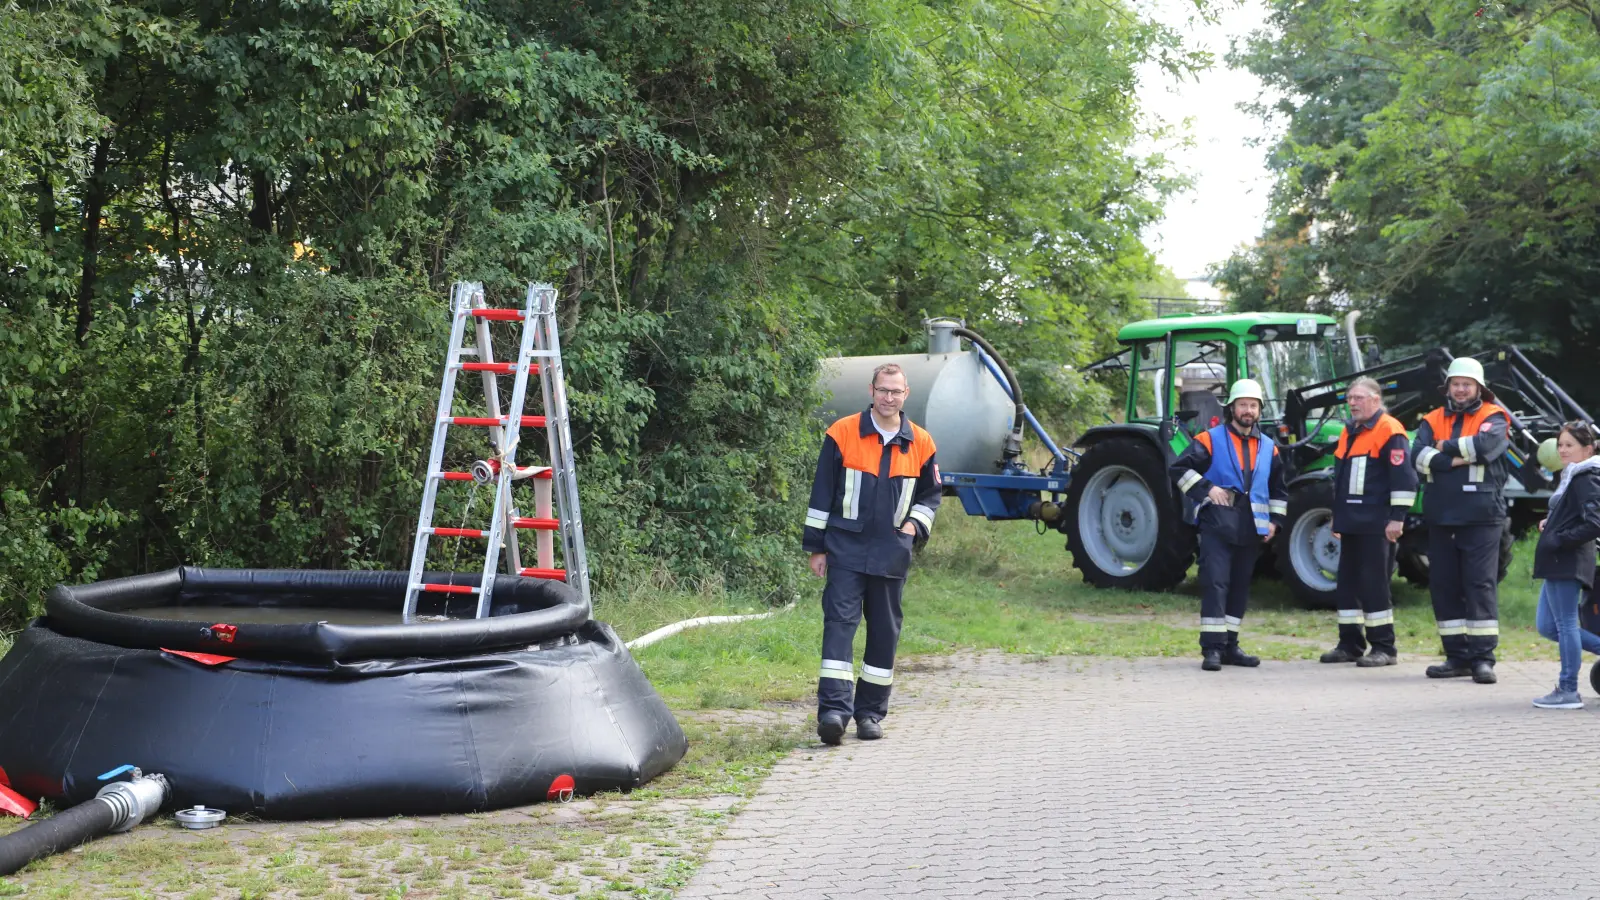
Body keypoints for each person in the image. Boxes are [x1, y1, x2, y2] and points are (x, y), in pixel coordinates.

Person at [802, 363, 940, 745]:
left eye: (896, 391)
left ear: (906, 394)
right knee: (839, 629)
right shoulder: (842, 432)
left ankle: (869, 715)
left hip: (891, 553)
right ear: (871, 390)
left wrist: (913, 526)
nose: (888, 397)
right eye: (883, 390)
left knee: (883, 633)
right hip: (845, 549)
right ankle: (833, 712)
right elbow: (822, 493)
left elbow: (931, 495)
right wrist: (816, 546)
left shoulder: (922, 442)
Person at [1170, 379, 1287, 671]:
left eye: (1253, 405)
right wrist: (1207, 489)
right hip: (1217, 521)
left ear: (1259, 410)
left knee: (1239, 587)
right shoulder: (1210, 439)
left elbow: (1279, 490)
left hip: (1251, 525)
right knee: (1215, 583)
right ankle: (1212, 649)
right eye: (1242, 405)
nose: (1247, 410)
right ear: (1231, 408)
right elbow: (1178, 469)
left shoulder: (1270, 448)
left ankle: (1231, 646)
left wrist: (1275, 522)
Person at [1411, 357, 1511, 684]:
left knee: (1479, 584)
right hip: (1441, 516)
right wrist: (1457, 457)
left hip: (1482, 516)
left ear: (1479, 388)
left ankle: (1483, 659)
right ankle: (1456, 657)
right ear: (1448, 388)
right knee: (1444, 585)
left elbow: (1487, 447)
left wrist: (1444, 450)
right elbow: (1418, 456)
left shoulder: (1494, 416)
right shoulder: (1431, 418)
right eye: (1456, 383)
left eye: (1467, 384)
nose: (1461, 389)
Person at [1319, 377, 1416, 667]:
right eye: (1350, 398)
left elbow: (1404, 479)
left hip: (1377, 523)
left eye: (1359, 398)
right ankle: (1349, 644)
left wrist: (1397, 518)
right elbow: (1342, 479)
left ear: (1376, 400)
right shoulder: (1350, 431)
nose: (1352, 403)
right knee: (1347, 584)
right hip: (1351, 521)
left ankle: (1384, 648)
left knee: (1374, 585)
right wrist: (1338, 514)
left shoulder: (1389, 430)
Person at [1531, 422, 1600, 709]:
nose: (1562, 450)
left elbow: (1595, 522)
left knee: (1566, 624)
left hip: (1567, 560)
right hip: (1557, 561)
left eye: (1569, 445)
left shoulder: (1586, 476)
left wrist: (1558, 539)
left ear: (1588, 449)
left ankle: (1568, 690)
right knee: (1548, 626)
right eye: (1560, 444)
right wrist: (1552, 524)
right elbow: (1575, 516)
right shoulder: (1572, 476)